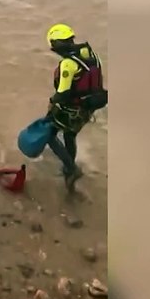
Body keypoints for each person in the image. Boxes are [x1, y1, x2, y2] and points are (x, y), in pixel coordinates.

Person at [41, 23, 106, 192]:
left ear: (56, 45)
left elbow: (62, 94)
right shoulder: (93, 56)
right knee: (70, 135)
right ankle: (68, 169)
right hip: (90, 106)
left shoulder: (68, 65)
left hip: (73, 109)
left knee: (49, 135)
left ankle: (71, 168)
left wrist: (51, 105)